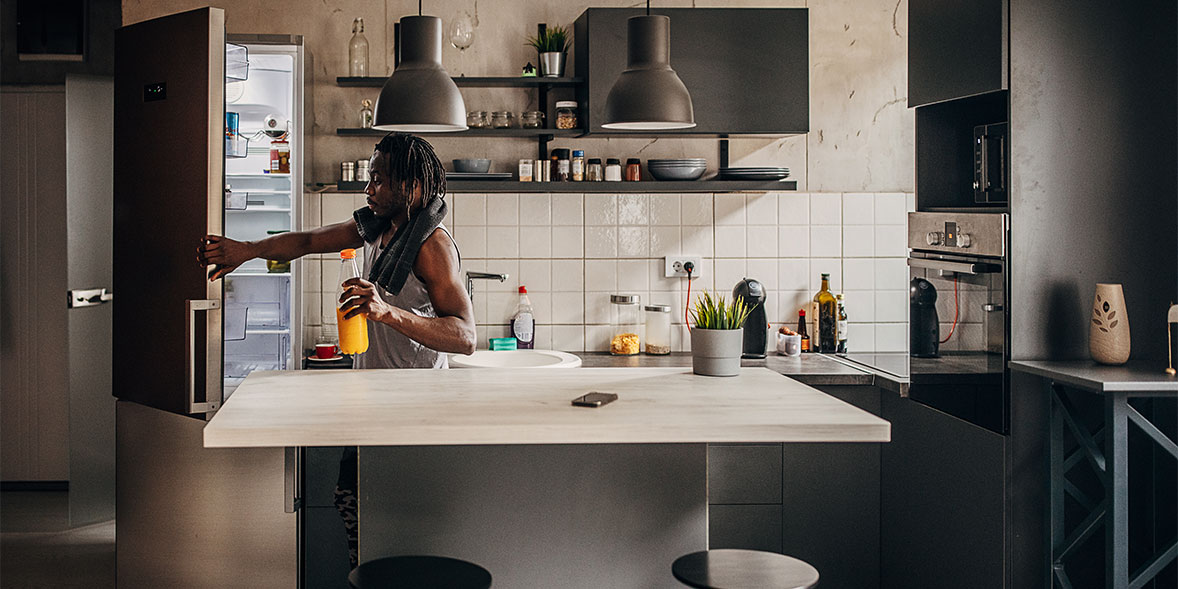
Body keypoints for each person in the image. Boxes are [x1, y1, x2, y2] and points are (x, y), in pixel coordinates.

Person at [198, 132, 475, 568]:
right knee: (357, 507)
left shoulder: (432, 246)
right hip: (374, 405)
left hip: (416, 412)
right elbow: (308, 242)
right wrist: (248, 251)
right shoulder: (378, 228)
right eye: (370, 178)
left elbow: (465, 336)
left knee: (400, 523)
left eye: (379, 181)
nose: (369, 190)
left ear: (412, 187)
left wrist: (387, 313)